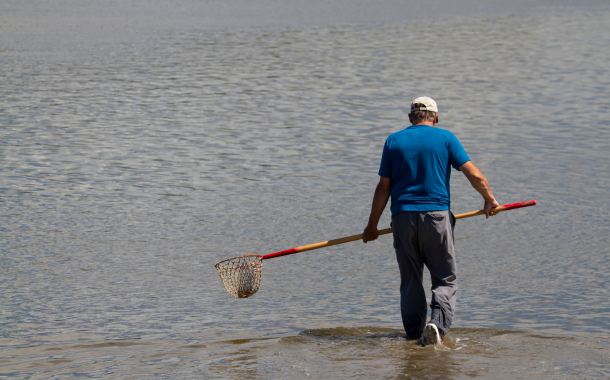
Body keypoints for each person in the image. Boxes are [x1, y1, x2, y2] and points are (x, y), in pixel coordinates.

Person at [362, 96, 499, 346]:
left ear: (410, 118)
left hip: (402, 218)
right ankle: (436, 325)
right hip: (437, 217)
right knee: (445, 278)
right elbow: (475, 175)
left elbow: (383, 188)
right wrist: (489, 199)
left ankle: (414, 334)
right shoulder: (446, 138)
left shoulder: (393, 140)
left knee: (411, 279)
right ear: (435, 117)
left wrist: (371, 226)